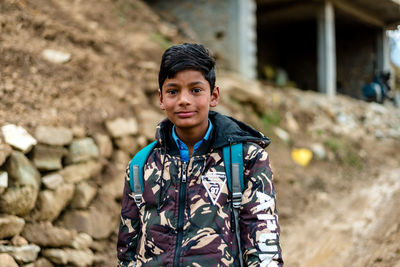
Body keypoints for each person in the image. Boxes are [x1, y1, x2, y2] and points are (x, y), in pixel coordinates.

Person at [117, 43, 283, 267]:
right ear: (161, 98)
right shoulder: (140, 166)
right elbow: (126, 254)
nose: (184, 100)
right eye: (173, 91)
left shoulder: (246, 160)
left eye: (195, 90)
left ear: (214, 96)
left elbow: (264, 247)